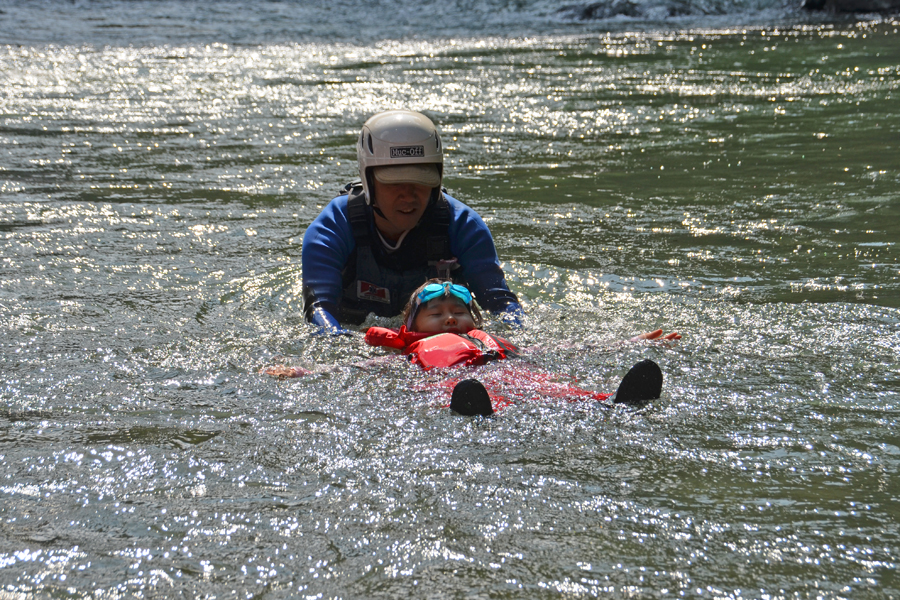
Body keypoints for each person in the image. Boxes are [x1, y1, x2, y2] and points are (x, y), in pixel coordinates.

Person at [266, 279, 680, 417]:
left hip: (504, 369)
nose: (449, 319)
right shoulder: (413, 353)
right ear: (411, 329)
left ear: (475, 322)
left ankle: (610, 402)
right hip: (450, 381)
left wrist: (630, 340)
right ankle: (478, 411)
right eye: (435, 314)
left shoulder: (491, 342)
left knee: (553, 388)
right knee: (469, 392)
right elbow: (360, 369)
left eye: (458, 311)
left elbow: (566, 347)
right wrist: (304, 372)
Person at [301, 109, 523, 334]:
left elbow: (500, 303)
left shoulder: (465, 226)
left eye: (420, 181)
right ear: (369, 182)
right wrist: (347, 350)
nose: (408, 197)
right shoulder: (332, 228)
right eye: (394, 184)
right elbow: (318, 309)